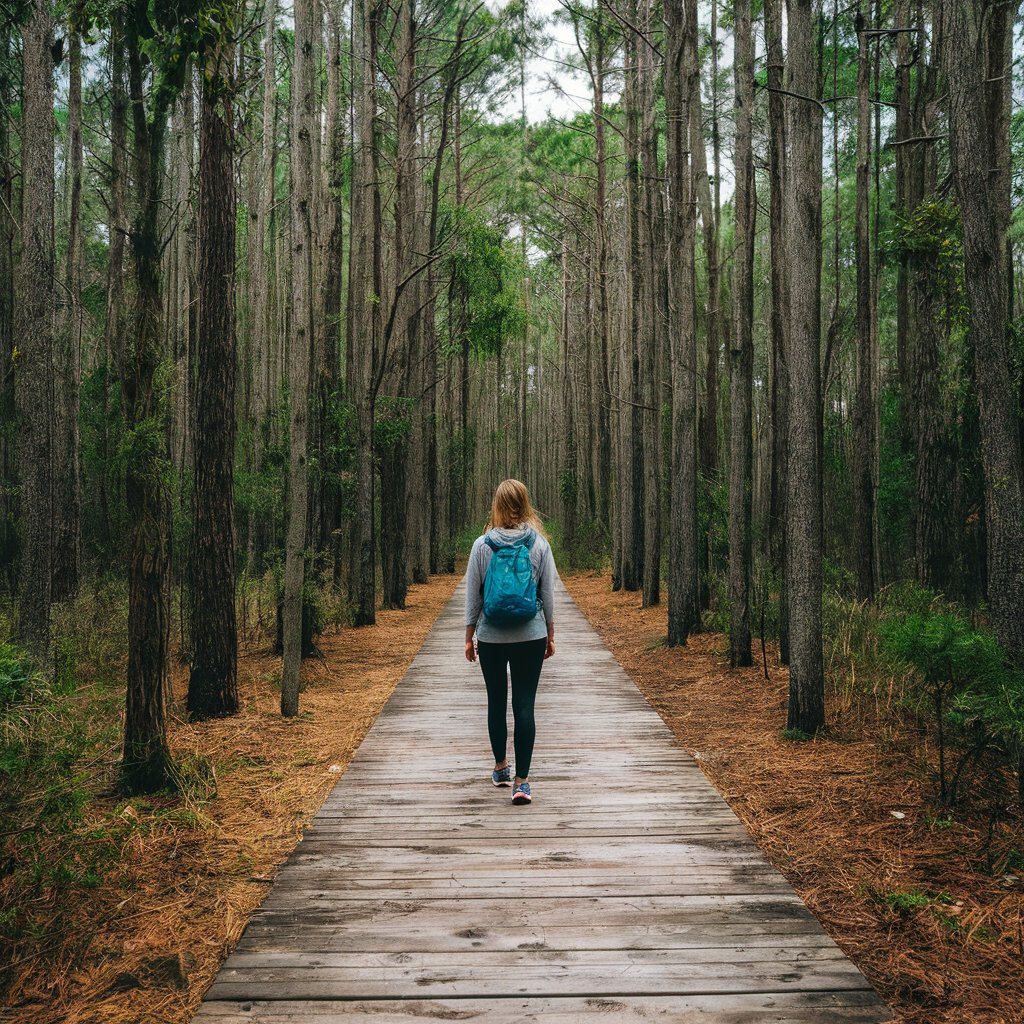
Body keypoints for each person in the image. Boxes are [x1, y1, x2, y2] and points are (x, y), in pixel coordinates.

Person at [464, 479, 557, 805]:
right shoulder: (540, 545)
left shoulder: (482, 546)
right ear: (525, 503)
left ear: (498, 506)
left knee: (496, 701)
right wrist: (550, 632)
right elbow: (548, 594)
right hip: (531, 635)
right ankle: (522, 783)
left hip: (490, 636)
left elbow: (472, 596)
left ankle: (501, 768)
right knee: (524, 704)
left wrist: (468, 636)